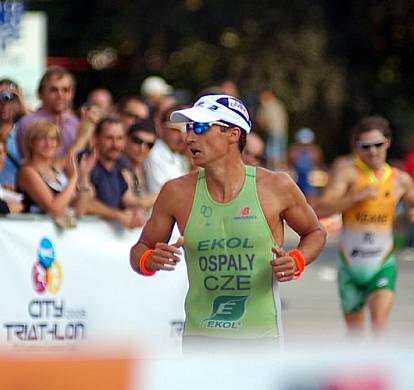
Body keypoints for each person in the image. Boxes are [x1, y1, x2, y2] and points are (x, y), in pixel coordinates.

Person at [130, 95, 326, 344]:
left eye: (200, 128)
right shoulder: (176, 192)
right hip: (200, 336)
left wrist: (297, 260)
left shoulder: (275, 186)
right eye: (189, 128)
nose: (189, 137)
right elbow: (139, 250)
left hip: (260, 335)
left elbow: (316, 232)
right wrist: (148, 260)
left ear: (233, 134)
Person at [312, 116, 414, 335]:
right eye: (365, 147)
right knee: (355, 334)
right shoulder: (348, 173)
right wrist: (354, 198)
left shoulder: (400, 179)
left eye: (378, 145)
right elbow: (320, 209)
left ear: (388, 143)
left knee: (379, 324)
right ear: (356, 147)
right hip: (351, 266)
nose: (373, 152)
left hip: (382, 262)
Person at [75, 117, 144, 229]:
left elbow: (128, 200)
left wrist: (136, 212)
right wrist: (118, 215)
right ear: (95, 139)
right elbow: (86, 204)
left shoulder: (118, 165)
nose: (115, 145)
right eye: (109, 138)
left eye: (120, 138)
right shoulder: (86, 161)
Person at [17, 119, 79, 223]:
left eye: (53, 139)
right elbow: (53, 208)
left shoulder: (56, 171)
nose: (48, 144)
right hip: (35, 232)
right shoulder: (28, 172)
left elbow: (77, 206)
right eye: (42, 138)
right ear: (31, 142)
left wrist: (85, 179)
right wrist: (73, 178)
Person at [144, 103, 190, 194]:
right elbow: (164, 194)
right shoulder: (153, 153)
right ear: (161, 127)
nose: (182, 137)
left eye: (186, 130)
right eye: (175, 130)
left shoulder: (178, 155)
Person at [120, 120, 158, 211]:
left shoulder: (146, 165)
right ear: (126, 139)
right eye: (137, 141)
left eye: (149, 145)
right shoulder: (119, 164)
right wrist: (163, 194)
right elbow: (131, 202)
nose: (142, 148)